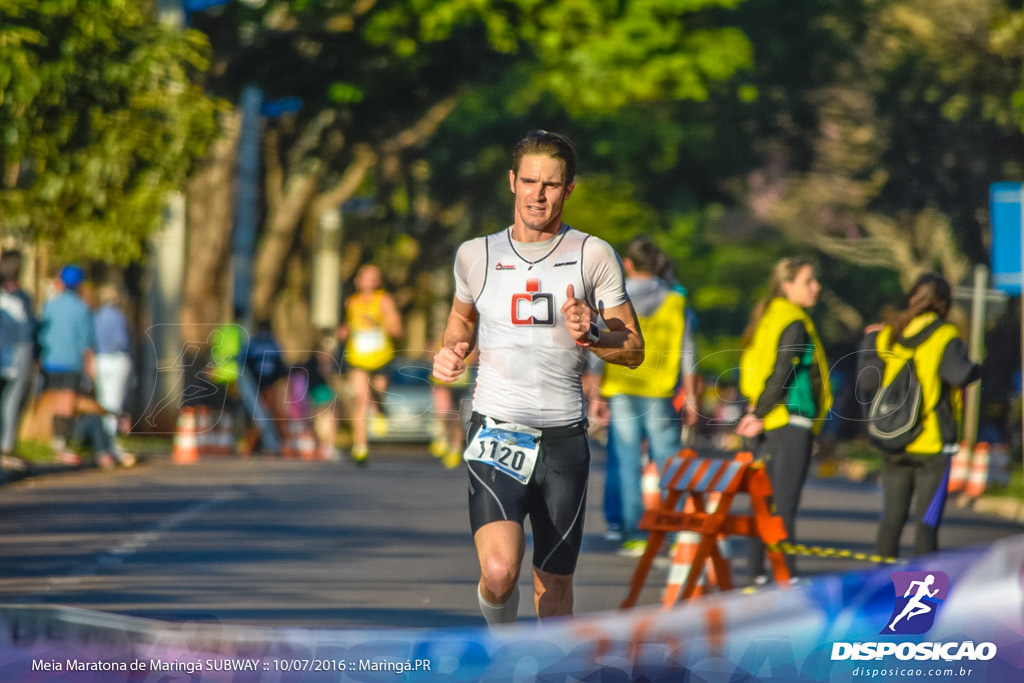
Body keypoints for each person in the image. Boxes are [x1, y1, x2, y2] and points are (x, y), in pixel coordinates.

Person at [432, 129, 644, 625]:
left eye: (551, 184)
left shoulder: (593, 254)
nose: (538, 195)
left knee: (554, 591)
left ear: (569, 188)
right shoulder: (475, 255)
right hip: (497, 430)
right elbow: (461, 320)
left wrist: (594, 334)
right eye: (529, 181)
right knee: (501, 570)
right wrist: (452, 350)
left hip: (564, 440)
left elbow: (633, 348)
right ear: (512, 181)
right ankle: (505, 657)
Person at [856, 274, 980, 558]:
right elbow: (959, 374)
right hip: (933, 446)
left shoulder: (891, 332)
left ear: (913, 298)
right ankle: (922, 598)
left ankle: (881, 588)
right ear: (944, 303)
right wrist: (977, 367)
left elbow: (867, 383)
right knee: (927, 525)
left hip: (893, 441)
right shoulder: (945, 335)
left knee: (891, 521)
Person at [596, 237, 698, 556]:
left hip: (622, 388)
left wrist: (595, 392)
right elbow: (688, 352)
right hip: (660, 390)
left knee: (626, 461)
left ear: (627, 264)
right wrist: (692, 397)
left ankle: (631, 532)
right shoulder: (675, 300)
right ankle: (673, 530)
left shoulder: (613, 299)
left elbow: (597, 345)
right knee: (669, 463)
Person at [736, 256, 832, 586]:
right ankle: (786, 575)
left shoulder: (767, 317)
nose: (816, 287)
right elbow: (782, 372)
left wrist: (754, 412)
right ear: (787, 285)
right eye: (809, 281)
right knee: (784, 504)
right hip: (788, 421)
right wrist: (759, 413)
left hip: (765, 419)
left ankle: (756, 573)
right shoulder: (794, 321)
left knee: (763, 502)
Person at [338, 264, 402, 465]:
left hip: (380, 357)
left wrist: (377, 324)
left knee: (378, 392)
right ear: (358, 280)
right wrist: (344, 331)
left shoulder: (384, 300)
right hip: (357, 358)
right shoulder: (351, 302)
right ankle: (360, 446)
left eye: (374, 277)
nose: (370, 281)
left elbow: (397, 329)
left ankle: (380, 409)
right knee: (361, 399)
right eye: (366, 277)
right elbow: (348, 326)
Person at [37, 265, 96, 458]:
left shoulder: (49, 305)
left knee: (54, 401)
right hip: (72, 361)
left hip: (50, 360)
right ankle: (61, 441)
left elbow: (41, 332)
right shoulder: (82, 308)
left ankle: (54, 440)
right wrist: (90, 368)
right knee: (67, 402)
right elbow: (86, 342)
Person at [0, 250, 37, 460]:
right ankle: (6, 446)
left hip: (9, 350)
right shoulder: (21, 298)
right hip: (17, 351)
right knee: (13, 399)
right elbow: (28, 330)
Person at [93, 283, 134, 465]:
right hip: (117, 359)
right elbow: (122, 341)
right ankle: (110, 443)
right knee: (115, 403)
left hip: (100, 360)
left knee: (103, 402)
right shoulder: (118, 316)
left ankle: (102, 443)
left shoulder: (97, 315)